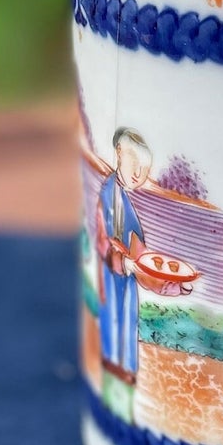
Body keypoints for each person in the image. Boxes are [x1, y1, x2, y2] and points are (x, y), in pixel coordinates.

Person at [95, 127, 152, 418]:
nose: (139, 174)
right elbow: (103, 241)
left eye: (144, 170)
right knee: (114, 342)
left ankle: (123, 415)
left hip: (126, 287)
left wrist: (166, 283)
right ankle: (115, 417)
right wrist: (123, 262)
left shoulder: (125, 202)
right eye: (136, 165)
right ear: (119, 153)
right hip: (112, 283)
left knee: (125, 345)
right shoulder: (108, 194)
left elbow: (141, 254)